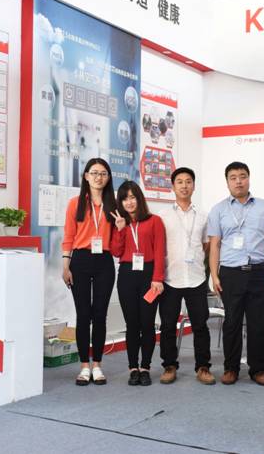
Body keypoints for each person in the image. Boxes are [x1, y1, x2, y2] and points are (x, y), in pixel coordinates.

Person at [208, 161, 264, 386]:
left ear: (249, 178)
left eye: (242, 176)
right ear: (227, 182)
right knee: (232, 323)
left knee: (257, 324)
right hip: (231, 273)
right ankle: (231, 368)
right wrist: (214, 274)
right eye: (233, 177)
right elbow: (215, 244)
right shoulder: (218, 210)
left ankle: (257, 369)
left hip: (259, 272)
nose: (238, 181)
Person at [62, 158, 117, 386]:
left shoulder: (113, 204)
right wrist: (65, 265)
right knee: (83, 315)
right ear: (86, 176)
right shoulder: (75, 203)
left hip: (104, 261)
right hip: (80, 260)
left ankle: (98, 365)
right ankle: (84, 366)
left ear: (108, 178)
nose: (98, 177)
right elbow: (69, 236)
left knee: (100, 315)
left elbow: (118, 240)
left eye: (103, 173)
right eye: (94, 173)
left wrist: (121, 228)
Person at [158, 167, 215, 385]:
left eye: (188, 181)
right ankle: (169, 366)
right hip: (170, 278)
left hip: (196, 278)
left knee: (200, 325)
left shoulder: (203, 216)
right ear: (173, 187)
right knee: (167, 325)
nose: (184, 185)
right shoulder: (163, 216)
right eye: (180, 182)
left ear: (194, 186)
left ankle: (203, 367)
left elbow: (206, 245)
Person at [110, 181, 166, 386]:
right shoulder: (119, 223)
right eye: (125, 199)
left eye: (132, 197)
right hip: (126, 275)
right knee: (132, 324)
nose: (129, 202)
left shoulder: (154, 221)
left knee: (147, 323)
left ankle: (145, 367)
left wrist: (157, 278)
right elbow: (116, 251)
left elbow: (160, 251)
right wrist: (120, 230)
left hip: (149, 275)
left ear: (139, 198)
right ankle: (133, 367)